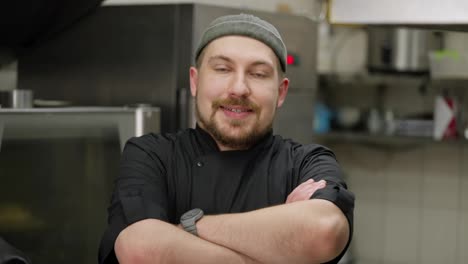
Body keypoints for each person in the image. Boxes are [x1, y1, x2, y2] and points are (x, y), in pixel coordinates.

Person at [98, 13, 354, 264]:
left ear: (281, 92)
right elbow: (140, 250)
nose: (239, 88)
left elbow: (324, 230)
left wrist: (186, 228)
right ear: (195, 82)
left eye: (258, 74)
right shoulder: (152, 155)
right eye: (222, 69)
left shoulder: (305, 163)